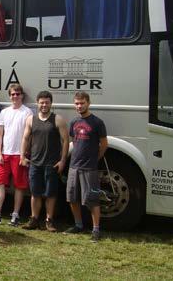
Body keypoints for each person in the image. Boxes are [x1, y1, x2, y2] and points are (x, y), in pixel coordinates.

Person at [20, 91, 69, 232]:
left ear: (51, 104)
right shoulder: (31, 119)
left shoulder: (57, 119)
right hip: (35, 163)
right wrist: (22, 156)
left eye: (47, 102)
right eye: (41, 102)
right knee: (35, 193)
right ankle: (34, 219)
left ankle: (49, 221)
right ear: (37, 103)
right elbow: (25, 138)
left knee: (50, 194)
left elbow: (66, 140)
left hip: (51, 164)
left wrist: (63, 161)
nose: (44, 105)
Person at [64, 91, 108, 242]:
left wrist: (96, 158)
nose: (79, 106)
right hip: (73, 166)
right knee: (72, 198)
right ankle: (78, 225)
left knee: (92, 199)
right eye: (76, 103)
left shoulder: (97, 122)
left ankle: (96, 230)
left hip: (89, 167)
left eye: (82, 103)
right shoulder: (74, 122)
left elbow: (104, 144)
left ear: (88, 103)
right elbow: (73, 142)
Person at [0, 84, 33, 225]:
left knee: (19, 186)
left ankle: (15, 215)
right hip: (4, 154)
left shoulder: (27, 112)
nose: (15, 96)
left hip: (19, 155)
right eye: (12, 94)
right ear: (9, 96)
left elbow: (29, 136)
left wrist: (24, 154)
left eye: (18, 94)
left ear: (22, 95)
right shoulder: (4, 112)